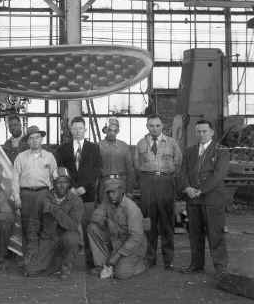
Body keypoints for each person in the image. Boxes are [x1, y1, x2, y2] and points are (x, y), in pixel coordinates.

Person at [179, 120, 230, 278]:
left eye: (204, 131)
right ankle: (196, 264)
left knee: (216, 234)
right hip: (193, 200)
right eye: (198, 132)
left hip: (212, 199)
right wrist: (187, 188)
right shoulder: (189, 151)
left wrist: (200, 190)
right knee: (195, 234)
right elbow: (183, 173)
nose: (201, 134)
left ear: (212, 132)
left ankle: (220, 268)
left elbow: (218, 175)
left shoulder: (222, 151)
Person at [135, 114, 182, 270]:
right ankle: (150, 258)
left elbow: (178, 163)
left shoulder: (172, 143)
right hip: (147, 183)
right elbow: (137, 164)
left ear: (162, 127)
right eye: (151, 126)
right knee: (149, 222)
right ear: (147, 127)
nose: (154, 128)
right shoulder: (141, 143)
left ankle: (168, 260)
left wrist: (166, 177)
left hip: (166, 182)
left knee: (167, 222)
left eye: (157, 126)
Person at [55, 116, 101, 269]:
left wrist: (85, 187)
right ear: (70, 130)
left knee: (88, 228)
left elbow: (97, 170)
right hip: (69, 195)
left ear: (85, 129)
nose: (77, 131)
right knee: (67, 228)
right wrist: (71, 188)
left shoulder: (94, 148)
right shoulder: (62, 149)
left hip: (87, 195)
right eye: (74, 128)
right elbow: (61, 171)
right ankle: (65, 263)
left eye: (80, 128)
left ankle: (91, 262)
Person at [12, 125, 57, 268]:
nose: (35, 141)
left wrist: (53, 199)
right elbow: (15, 179)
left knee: (43, 225)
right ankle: (28, 259)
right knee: (26, 226)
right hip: (26, 194)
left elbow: (55, 179)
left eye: (37, 137)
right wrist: (17, 198)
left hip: (44, 194)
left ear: (41, 139)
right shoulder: (21, 157)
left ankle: (41, 258)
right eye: (31, 138)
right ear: (28, 141)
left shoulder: (49, 157)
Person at [27, 167, 84, 279]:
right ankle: (56, 263)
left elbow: (72, 225)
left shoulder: (75, 200)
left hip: (65, 237)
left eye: (65, 182)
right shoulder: (42, 198)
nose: (62, 185)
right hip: (47, 239)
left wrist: (54, 209)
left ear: (69, 184)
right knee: (30, 271)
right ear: (53, 183)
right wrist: (32, 247)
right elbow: (34, 223)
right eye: (59, 182)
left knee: (72, 239)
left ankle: (65, 266)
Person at [87, 178, 147, 280]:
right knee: (92, 228)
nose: (111, 195)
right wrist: (101, 219)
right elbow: (95, 216)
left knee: (121, 274)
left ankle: (139, 264)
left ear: (122, 191)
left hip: (132, 246)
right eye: (109, 192)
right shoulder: (108, 201)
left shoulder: (131, 208)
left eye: (114, 192)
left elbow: (136, 237)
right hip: (116, 241)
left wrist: (116, 256)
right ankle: (102, 265)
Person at [98, 118, 135, 198]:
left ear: (118, 131)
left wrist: (129, 191)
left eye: (115, 131)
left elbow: (130, 170)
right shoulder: (98, 146)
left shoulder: (124, 146)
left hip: (121, 184)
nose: (112, 133)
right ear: (105, 130)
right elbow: (95, 171)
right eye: (110, 130)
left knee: (121, 209)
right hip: (104, 184)